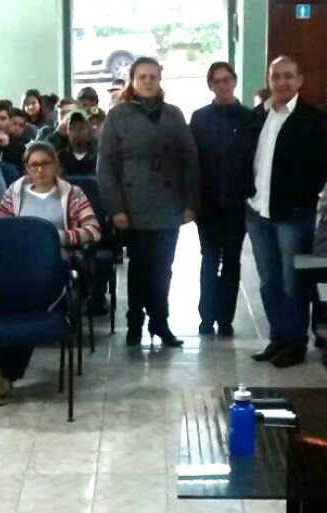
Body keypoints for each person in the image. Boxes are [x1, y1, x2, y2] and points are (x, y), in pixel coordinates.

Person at [98, 57, 200, 347]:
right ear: (132, 80)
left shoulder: (174, 114)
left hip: (168, 203)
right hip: (133, 204)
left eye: (153, 76)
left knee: (163, 268)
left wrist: (190, 203)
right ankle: (135, 322)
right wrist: (116, 208)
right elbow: (106, 166)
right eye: (142, 76)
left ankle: (160, 322)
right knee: (139, 267)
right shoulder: (118, 116)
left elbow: (190, 160)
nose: (147, 81)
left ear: (160, 80)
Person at [0, 142, 100, 405]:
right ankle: (3, 373)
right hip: (18, 264)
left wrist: (55, 237)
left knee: (30, 303)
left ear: (55, 165)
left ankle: (5, 374)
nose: (39, 170)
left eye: (45, 164)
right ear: (27, 168)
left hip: (56, 264)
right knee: (5, 303)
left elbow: (93, 230)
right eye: (34, 165)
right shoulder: (15, 192)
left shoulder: (72, 194)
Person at [244, 55, 327, 367]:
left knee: (293, 282)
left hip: (292, 215)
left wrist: (300, 201)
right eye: (276, 76)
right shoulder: (257, 115)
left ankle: (296, 343)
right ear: (268, 80)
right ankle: (278, 337)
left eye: (288, 76)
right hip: (258, 210)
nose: (281, 82)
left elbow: (322, 168)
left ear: (299, 80)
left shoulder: (313, 119)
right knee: (268, 280)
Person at [189, 61, 254, 337]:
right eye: (217, 81)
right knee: (209, 259)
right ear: (210, 86)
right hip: (208, 202)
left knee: (232, 261)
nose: (223, 85)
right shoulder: (200, 118)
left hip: (238, 203)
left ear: (234, 81)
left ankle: (226, 317)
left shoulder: (250, 118)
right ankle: (206, 316)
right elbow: (192, 162)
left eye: (227, 79)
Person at [0, 100, 25, 173]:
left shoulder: (19, 146)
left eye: (3, 118)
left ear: (10, 121)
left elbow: (19, 171)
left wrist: (7, 147)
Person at [56, 110, 97, 176]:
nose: (77, 132)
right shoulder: (60, 158)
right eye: (72, 128)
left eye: (81, 128)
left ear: (88, 130)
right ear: (67, 131)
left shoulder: (98, 157)